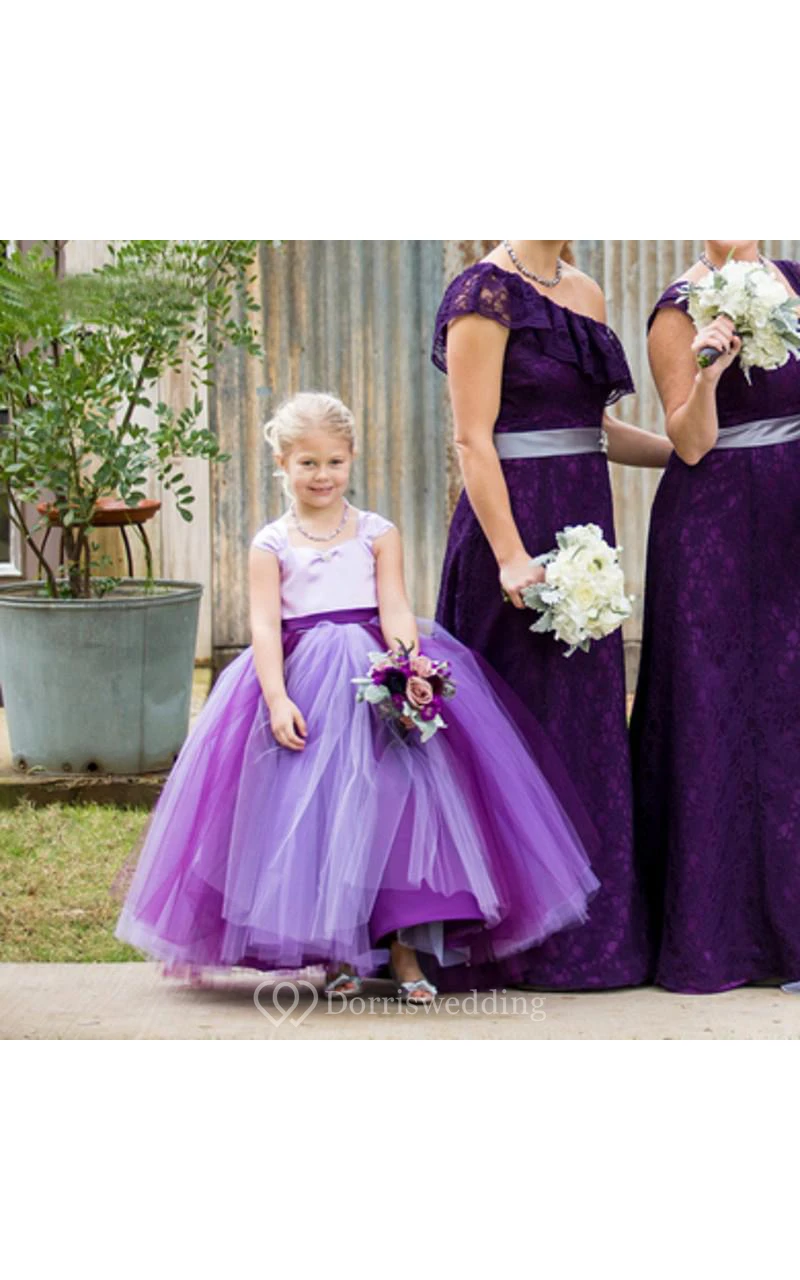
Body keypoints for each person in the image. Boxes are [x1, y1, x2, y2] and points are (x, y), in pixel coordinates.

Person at [115, 390, 601, 1003]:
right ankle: (335, 953)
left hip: (374, 684)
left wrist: (409, 669)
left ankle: (404, 952)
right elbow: (264, 625)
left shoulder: (376, 532)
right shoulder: (271, 543)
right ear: (282, 463)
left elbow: (394, 606)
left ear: (351, 458)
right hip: (305, 690)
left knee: (396, 809)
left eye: (334, 462)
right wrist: (276, 699)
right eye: (307, 463)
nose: (322, 475)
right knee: (314, 816)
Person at [428, 240, 671, 992]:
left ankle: (591, 943)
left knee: (584, 729)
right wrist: (509, 555)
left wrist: (692, 455)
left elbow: (595, 431)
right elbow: (472, 439)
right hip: (514, 536)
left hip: (582, 535)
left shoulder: (586, 292)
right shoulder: (482, 295)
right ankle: (505, 941)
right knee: (513, 731)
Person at [630, 240, 800, 994]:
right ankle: (718, 937)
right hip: (714, 526)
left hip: (792, 513)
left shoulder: (794, 281)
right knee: (715, 712)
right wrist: (709, 372)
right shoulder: (676, 309)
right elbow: (690, 442)